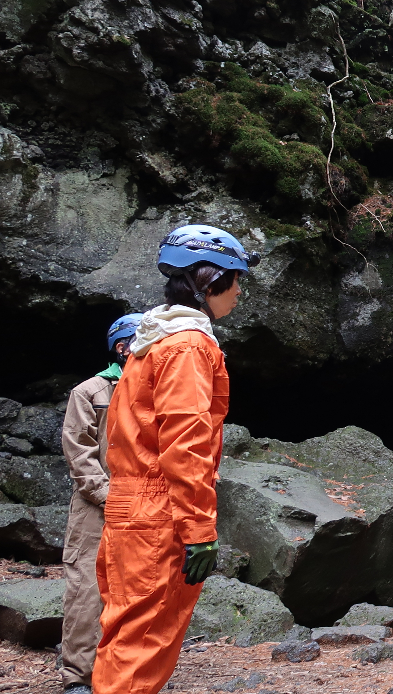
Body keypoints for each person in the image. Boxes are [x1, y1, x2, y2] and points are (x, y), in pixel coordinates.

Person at [93, 225, 259, 694]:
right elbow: (185, 445)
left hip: (129, 506)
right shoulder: (187, 346)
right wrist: (200, 531)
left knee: (126, 636)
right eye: (236, 279)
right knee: (143, 644)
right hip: (156, 512)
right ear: (210, 282)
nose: (240, 291)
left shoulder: (153, 341)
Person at [59, 313, 144, 693]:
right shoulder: (90, 392)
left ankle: (125, 673)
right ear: (123, 348)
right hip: (97, 509)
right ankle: (78, 677)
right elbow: (80, 455)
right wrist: (112, 497)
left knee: (137, 589)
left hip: (146, 508)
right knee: (87, 591)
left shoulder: (156, 391)